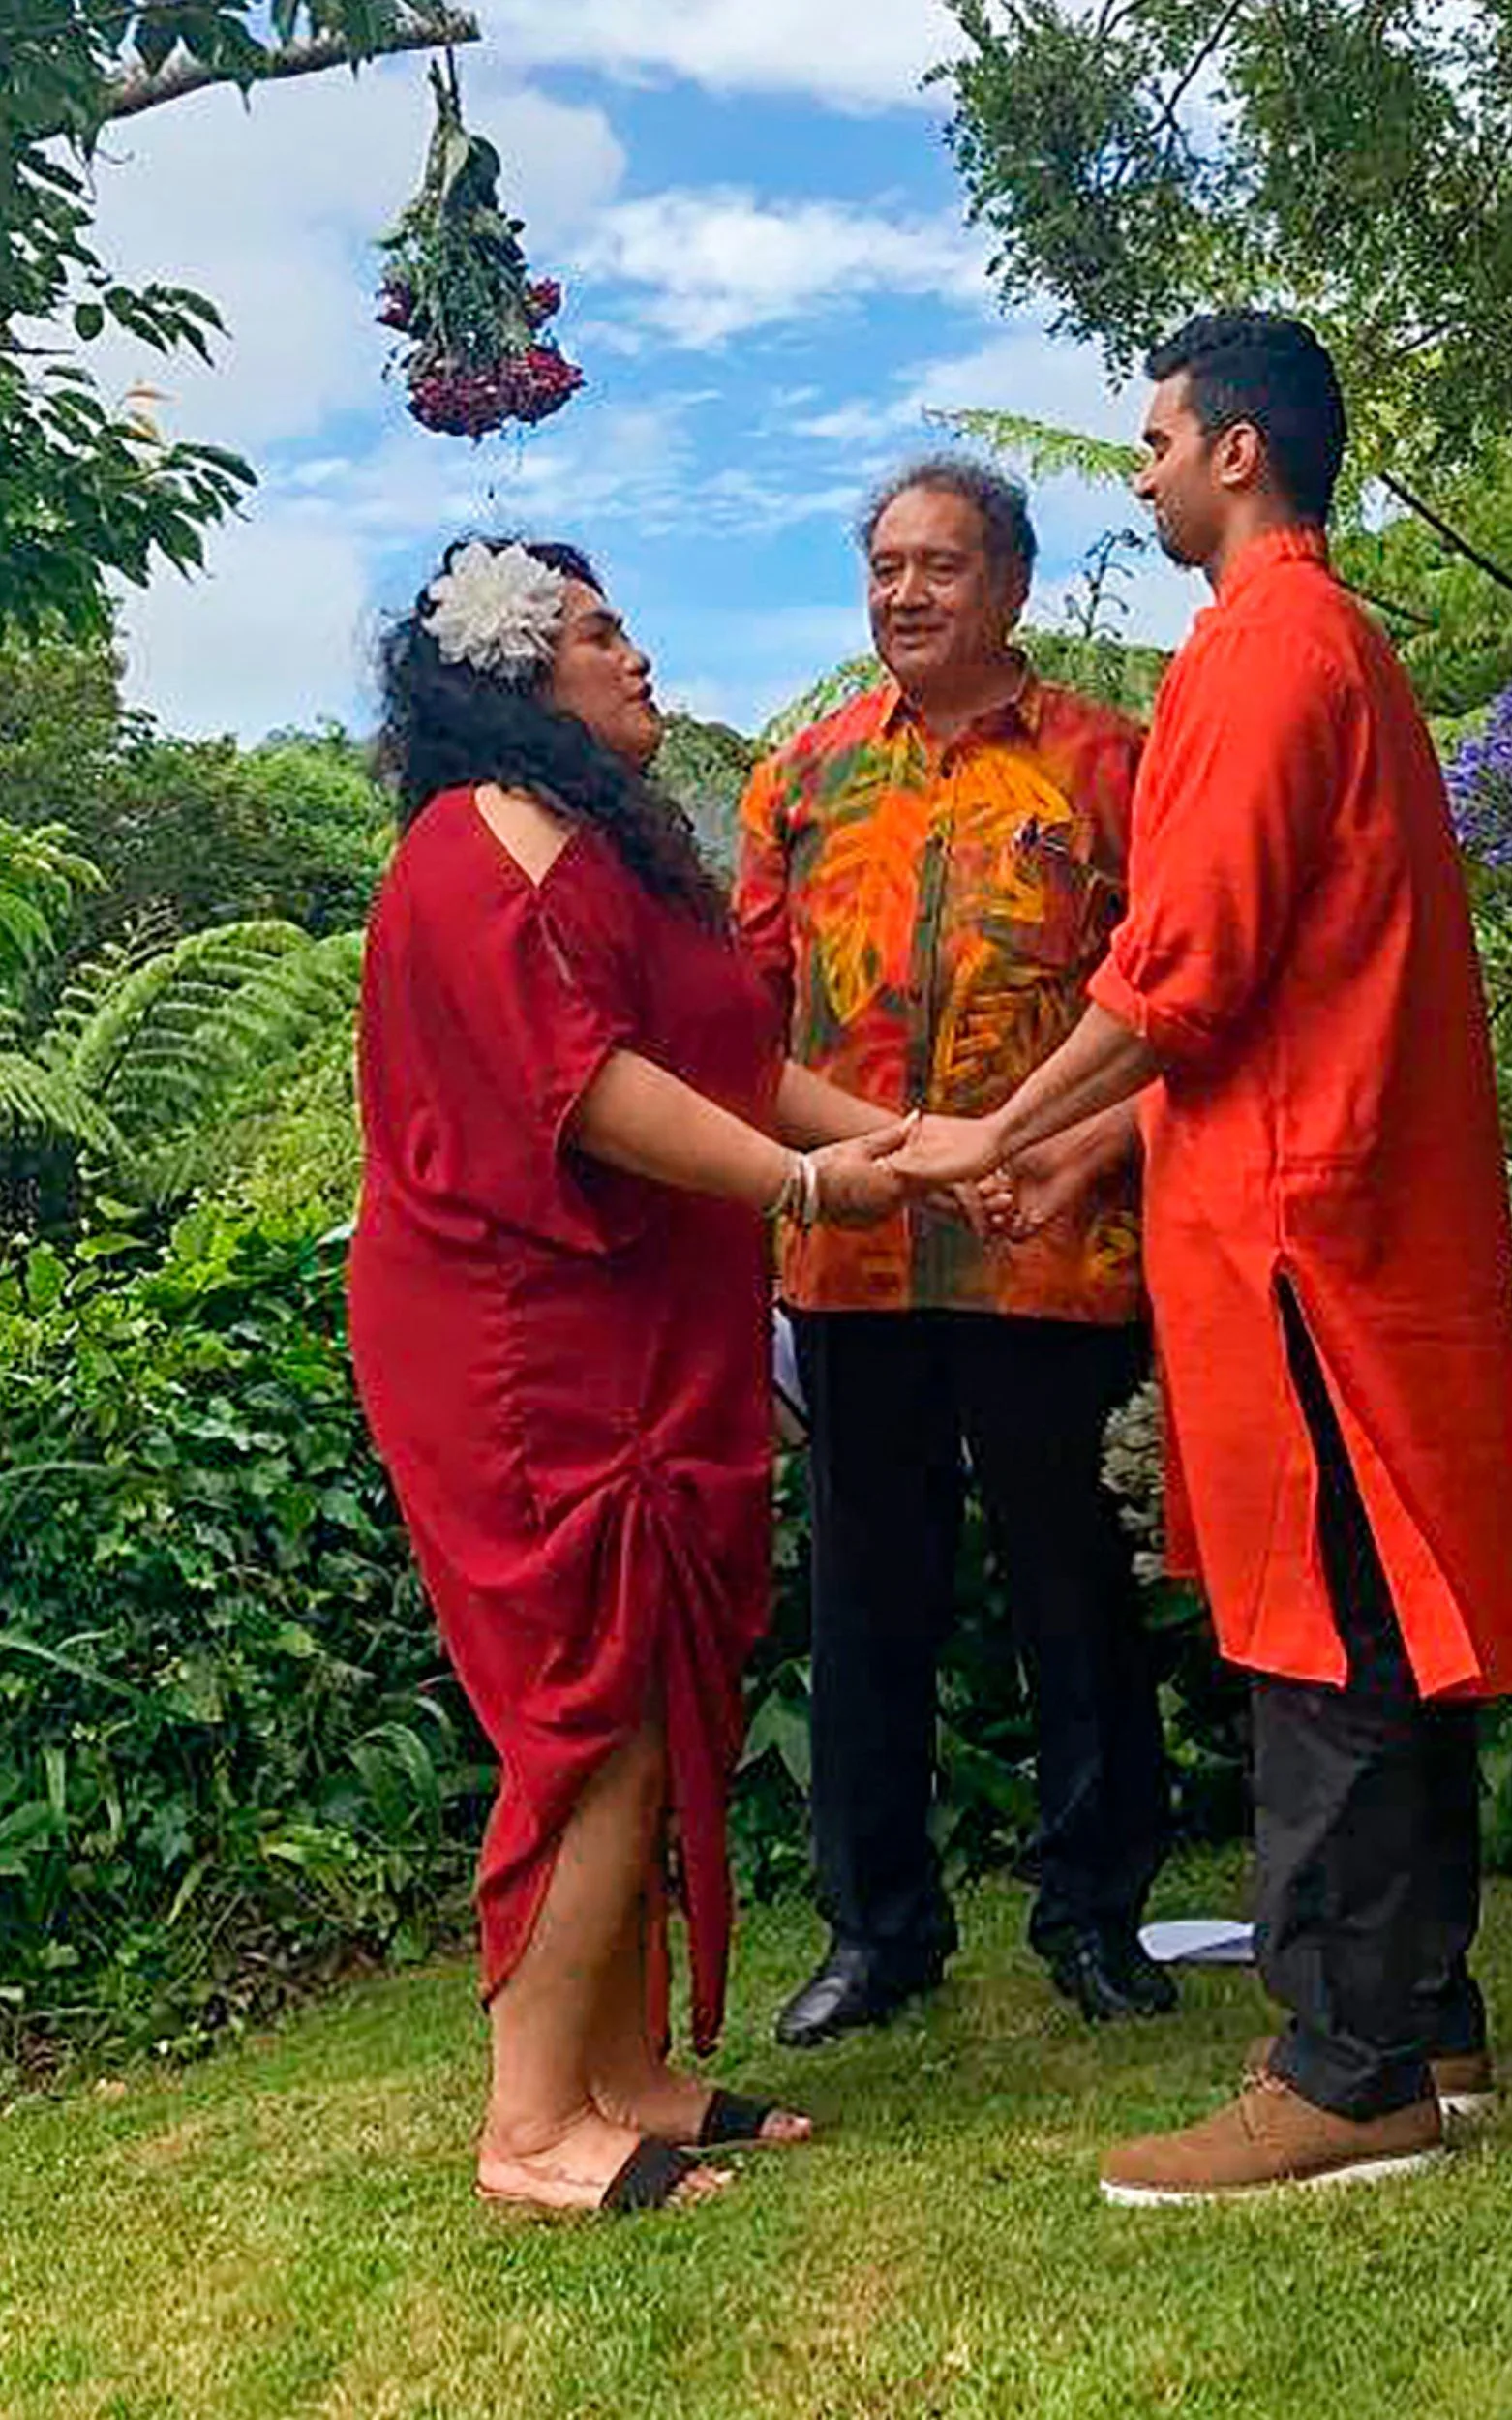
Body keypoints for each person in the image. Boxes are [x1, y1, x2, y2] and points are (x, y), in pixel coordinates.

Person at [886, 316, 1512, 2201]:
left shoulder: (1265, 648)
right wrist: (1072, 1150)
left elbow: (1180, 972)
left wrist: (994, 1131)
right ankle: (1421, 2019)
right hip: (1329, 1202)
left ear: (1240, 450)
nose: (1145, 471)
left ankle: (1347, 2067)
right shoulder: (1325, 642)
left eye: (1159, 439)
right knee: (1381, 1610)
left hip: (1302, 1234)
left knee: (1327, 1627)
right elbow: (1251, 998)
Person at [350, 536, 911, 2218]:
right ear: (518, 675)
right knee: (586, 1711)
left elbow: (729, 1066)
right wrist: (805, 1189)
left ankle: (629, 2073)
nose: (638, 656)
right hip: (519, 1337)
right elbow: (583, 1086)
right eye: (600, 634)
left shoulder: (604, 851)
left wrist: (926, 1149)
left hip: (635, 1326)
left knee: (652, 1692)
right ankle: (532, 2127)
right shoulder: (476, 845)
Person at [735, 460, 1175, 2045]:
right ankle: (879, 1932)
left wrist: (1061, 1155)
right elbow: (741, 1024)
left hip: (1055, 1250)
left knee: (1076, 1589)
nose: (906, 594)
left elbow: (1178, 1001)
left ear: (1013, 585)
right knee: (868, 1600)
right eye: (886, 567)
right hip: (855, 1264)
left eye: (941, 566)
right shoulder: (801, 780)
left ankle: (1097, 1914)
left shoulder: (1112, 765)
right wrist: (845, 1174)